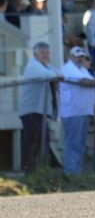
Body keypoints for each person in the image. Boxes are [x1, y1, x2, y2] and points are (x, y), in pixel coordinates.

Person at [59, 47, 95, 174]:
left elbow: (91, 81)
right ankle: (71, 172)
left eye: (82, 57)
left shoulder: (82, 69)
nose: (80, 59)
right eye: (77, 56)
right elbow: (84, 82)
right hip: (73, 112)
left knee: (79, 144)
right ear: (71, 56)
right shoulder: (68, 68)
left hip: (83, 112)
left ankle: (76, 172)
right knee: (73, 144)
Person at [18, 42, 62, 174]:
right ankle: (29, 172)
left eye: (47, 53)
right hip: (31, 111)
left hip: (41, 110)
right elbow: (53, 76)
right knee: (30, 142)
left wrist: (58, 76)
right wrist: (58, 77)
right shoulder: (33, 66)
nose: (46, 55)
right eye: (42, 53)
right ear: (35, 53)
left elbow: (58, 73)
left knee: (42, 141)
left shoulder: (46, 66)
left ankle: (40, 170)